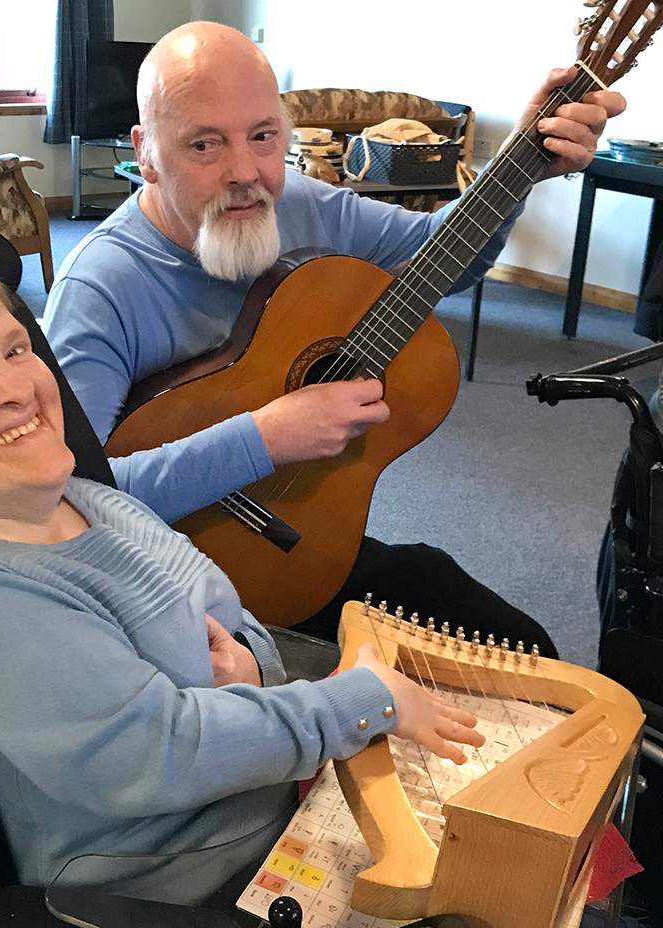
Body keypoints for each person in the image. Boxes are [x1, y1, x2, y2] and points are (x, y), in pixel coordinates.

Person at [0, 246, 484, 902]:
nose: (16, 387)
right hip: (182, 899)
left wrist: (246, 669)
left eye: (16, 350)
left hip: (265, 798)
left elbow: (232, 621)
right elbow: (158, 752)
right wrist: (356, 701)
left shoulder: (89, 497)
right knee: (487, 914)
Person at [44, 22, 626, 657]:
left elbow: (443, 257)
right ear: (146, 154)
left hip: (300, 547)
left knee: (521, 649)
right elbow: (66, 494)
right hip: (157, 588)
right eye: (204, 145)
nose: (246, 172)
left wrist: (520, 163)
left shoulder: (298, 203)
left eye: (263, 136)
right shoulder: (99, 288)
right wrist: (266, 439)